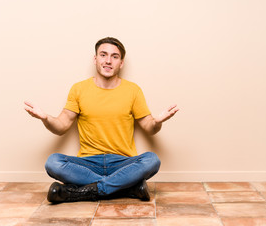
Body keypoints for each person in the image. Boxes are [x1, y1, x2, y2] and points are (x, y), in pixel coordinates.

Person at [24, 37, 179, 203]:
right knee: (53, 162)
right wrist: (46, 118)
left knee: (152, 160)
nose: (108, 61)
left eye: (114, 56)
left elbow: (149, 127)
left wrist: (158, 122)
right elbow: (61, 126)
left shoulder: (133, 90)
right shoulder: (79, 89)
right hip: (88, 163)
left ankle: (85, 191)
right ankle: (126, 188)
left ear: (121, 63)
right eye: (103, 55)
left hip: (122, 163)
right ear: (95, 59)